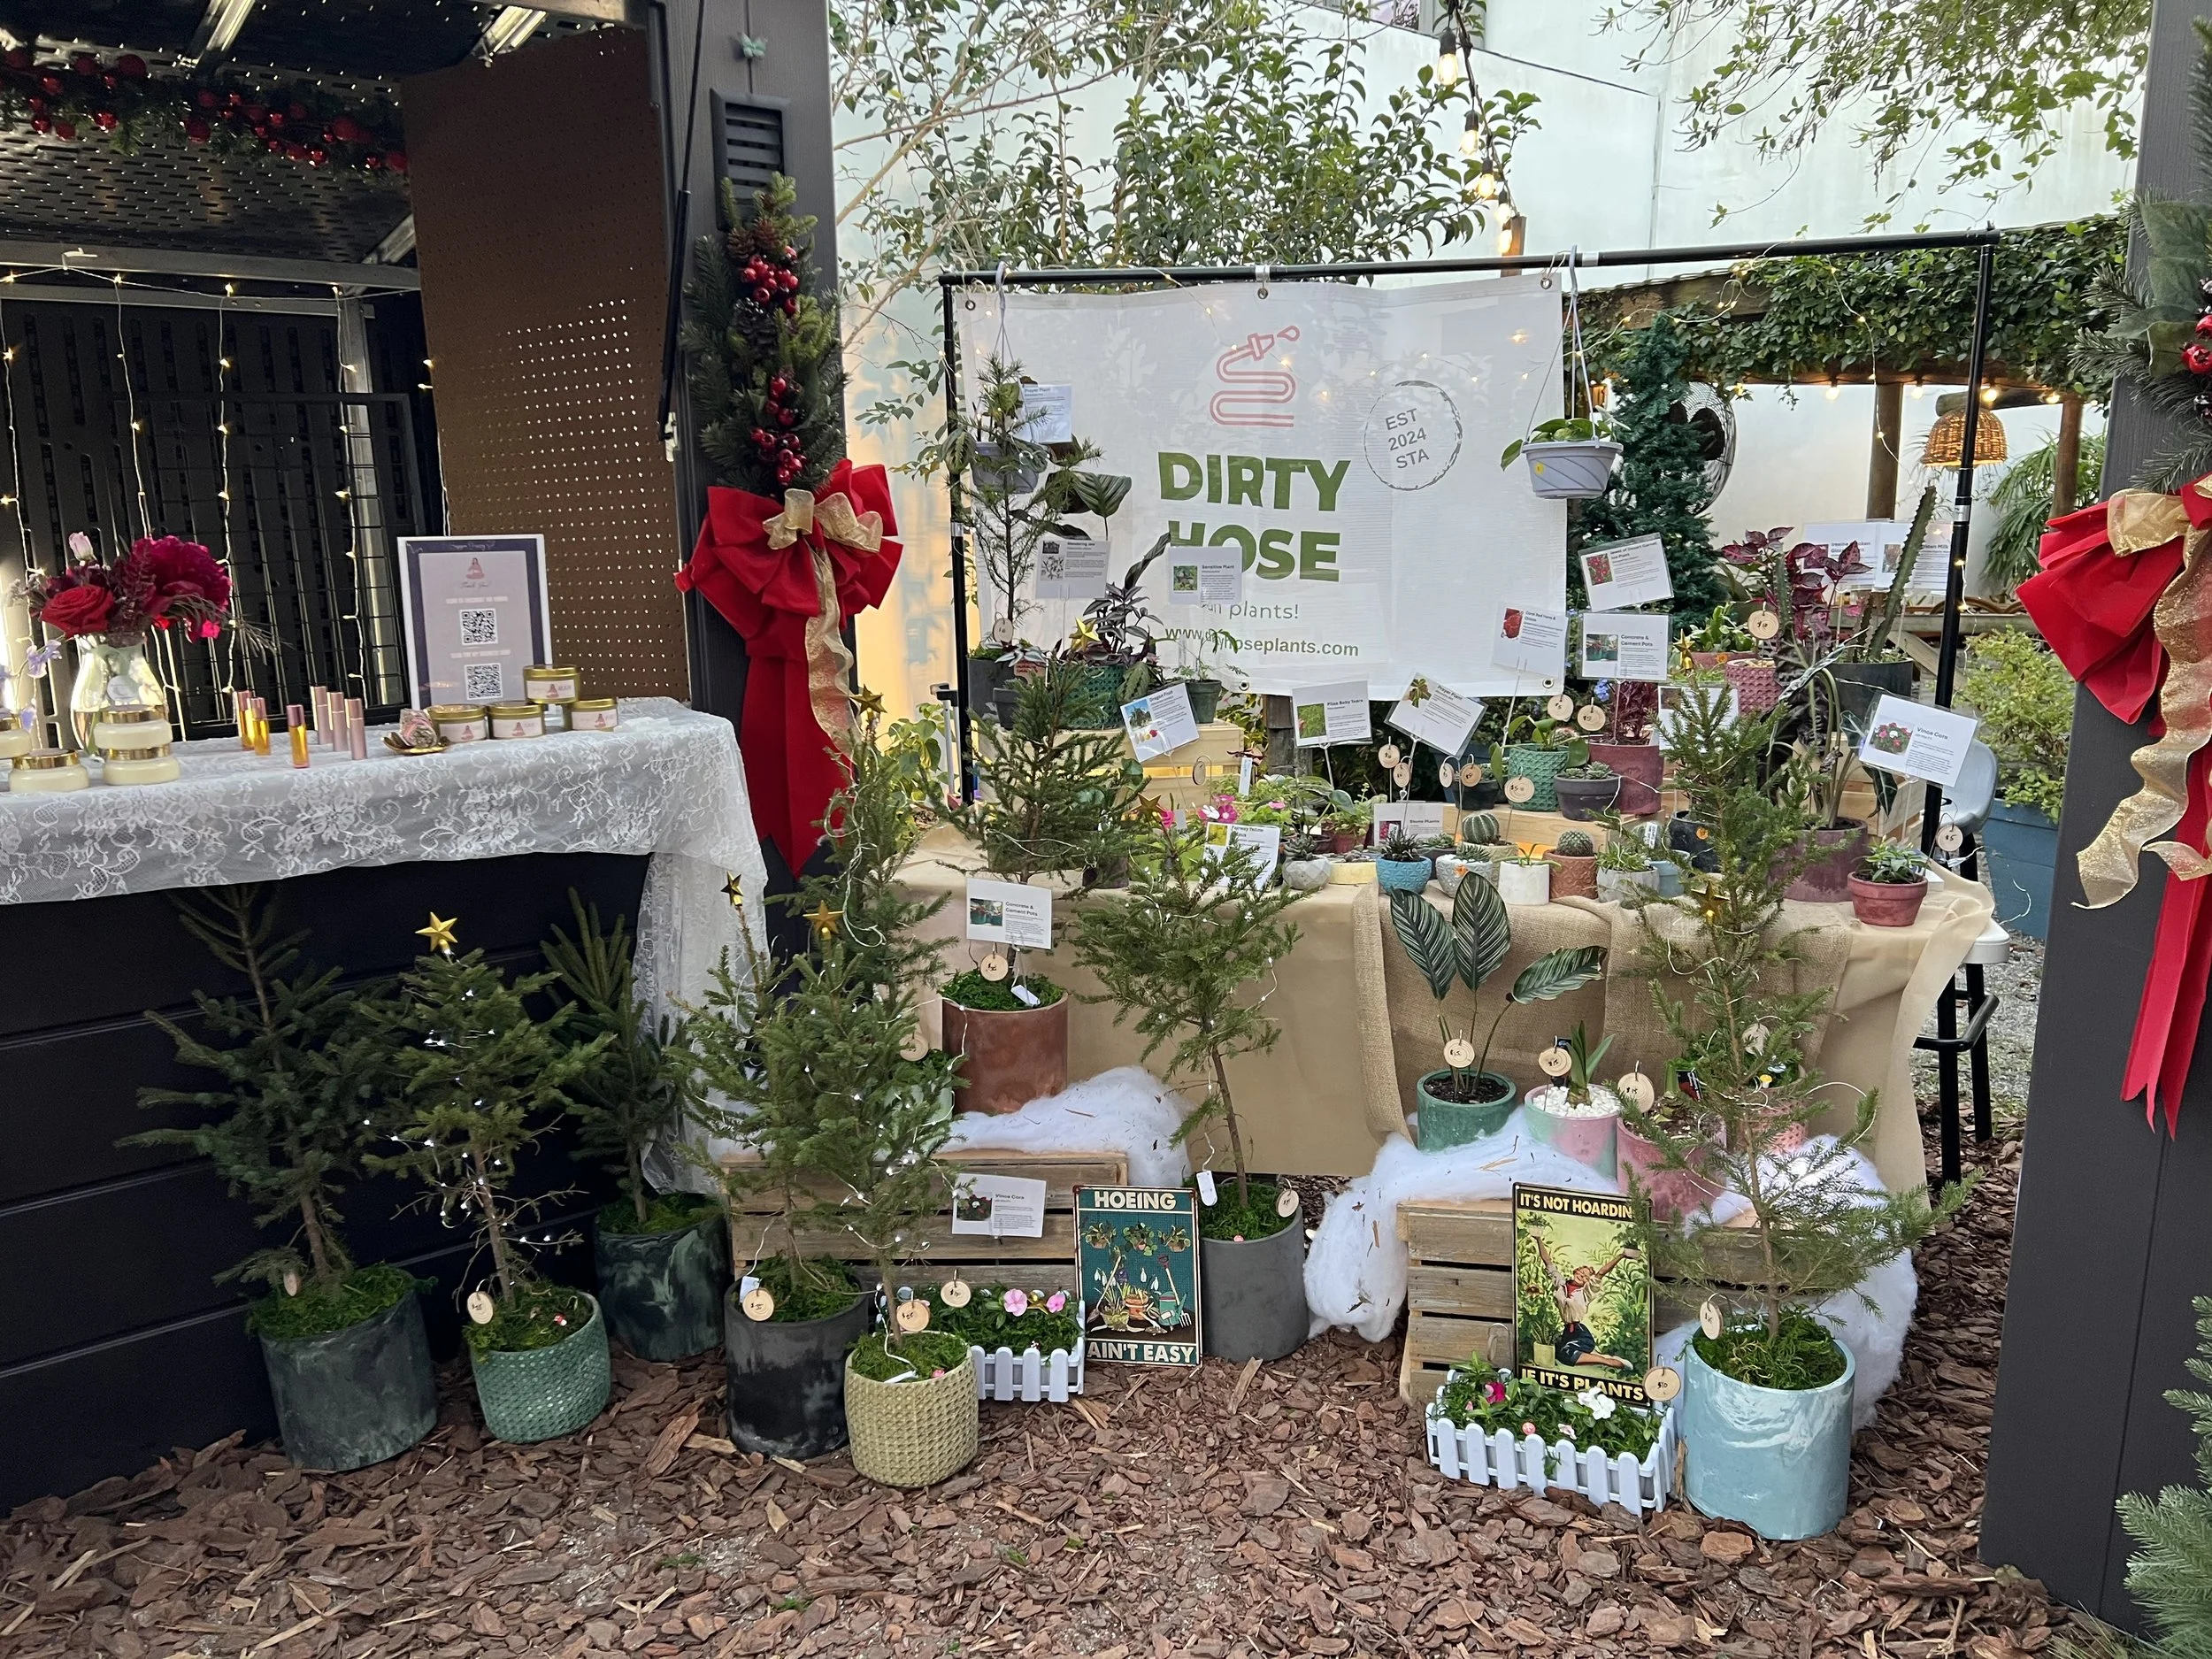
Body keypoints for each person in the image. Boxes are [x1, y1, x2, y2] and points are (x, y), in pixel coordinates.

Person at [1535, 1232, 1639, 1371]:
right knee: (1558, 1355)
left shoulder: (1586, 1292)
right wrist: (1538, 1239)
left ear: (1587, 1282)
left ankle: (1610, 1362)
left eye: (1585, 1277)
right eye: (1580, 1273)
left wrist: (1621, 1256)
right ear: (1575, 1271)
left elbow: (1601, 1273)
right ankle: (1599, 1356)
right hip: (1567, 1332)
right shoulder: (1561, 1284)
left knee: (1567, 1356)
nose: (1581, 1276)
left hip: (1579, 1333)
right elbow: (1548, 1262)